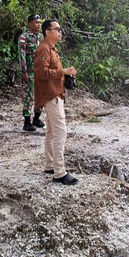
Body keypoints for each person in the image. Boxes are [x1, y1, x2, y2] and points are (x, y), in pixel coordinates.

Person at [34, 19, 79, 185]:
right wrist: (63, 71)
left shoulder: (51, 48)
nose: (60, 32)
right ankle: (60, 172)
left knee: (52, 131)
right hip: (51, 96)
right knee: (61, 131)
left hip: (55, 94)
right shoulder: (44, 48)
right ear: (47, 31)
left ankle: (50, 165)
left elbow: (49, 71)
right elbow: (41, 72)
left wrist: (65, 75)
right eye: (57, 29)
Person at [18, 14, 44, 132]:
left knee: (42, 95)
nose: (38, 24)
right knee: (30, 95)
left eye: (39, 22)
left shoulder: (41, 37)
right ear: (30, 24)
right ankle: (27, 122)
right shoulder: (24, 37)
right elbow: (21, 55)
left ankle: (36, 119)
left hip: (41, 71)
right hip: (30, 71)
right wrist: (24, 71)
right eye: (36, 22)